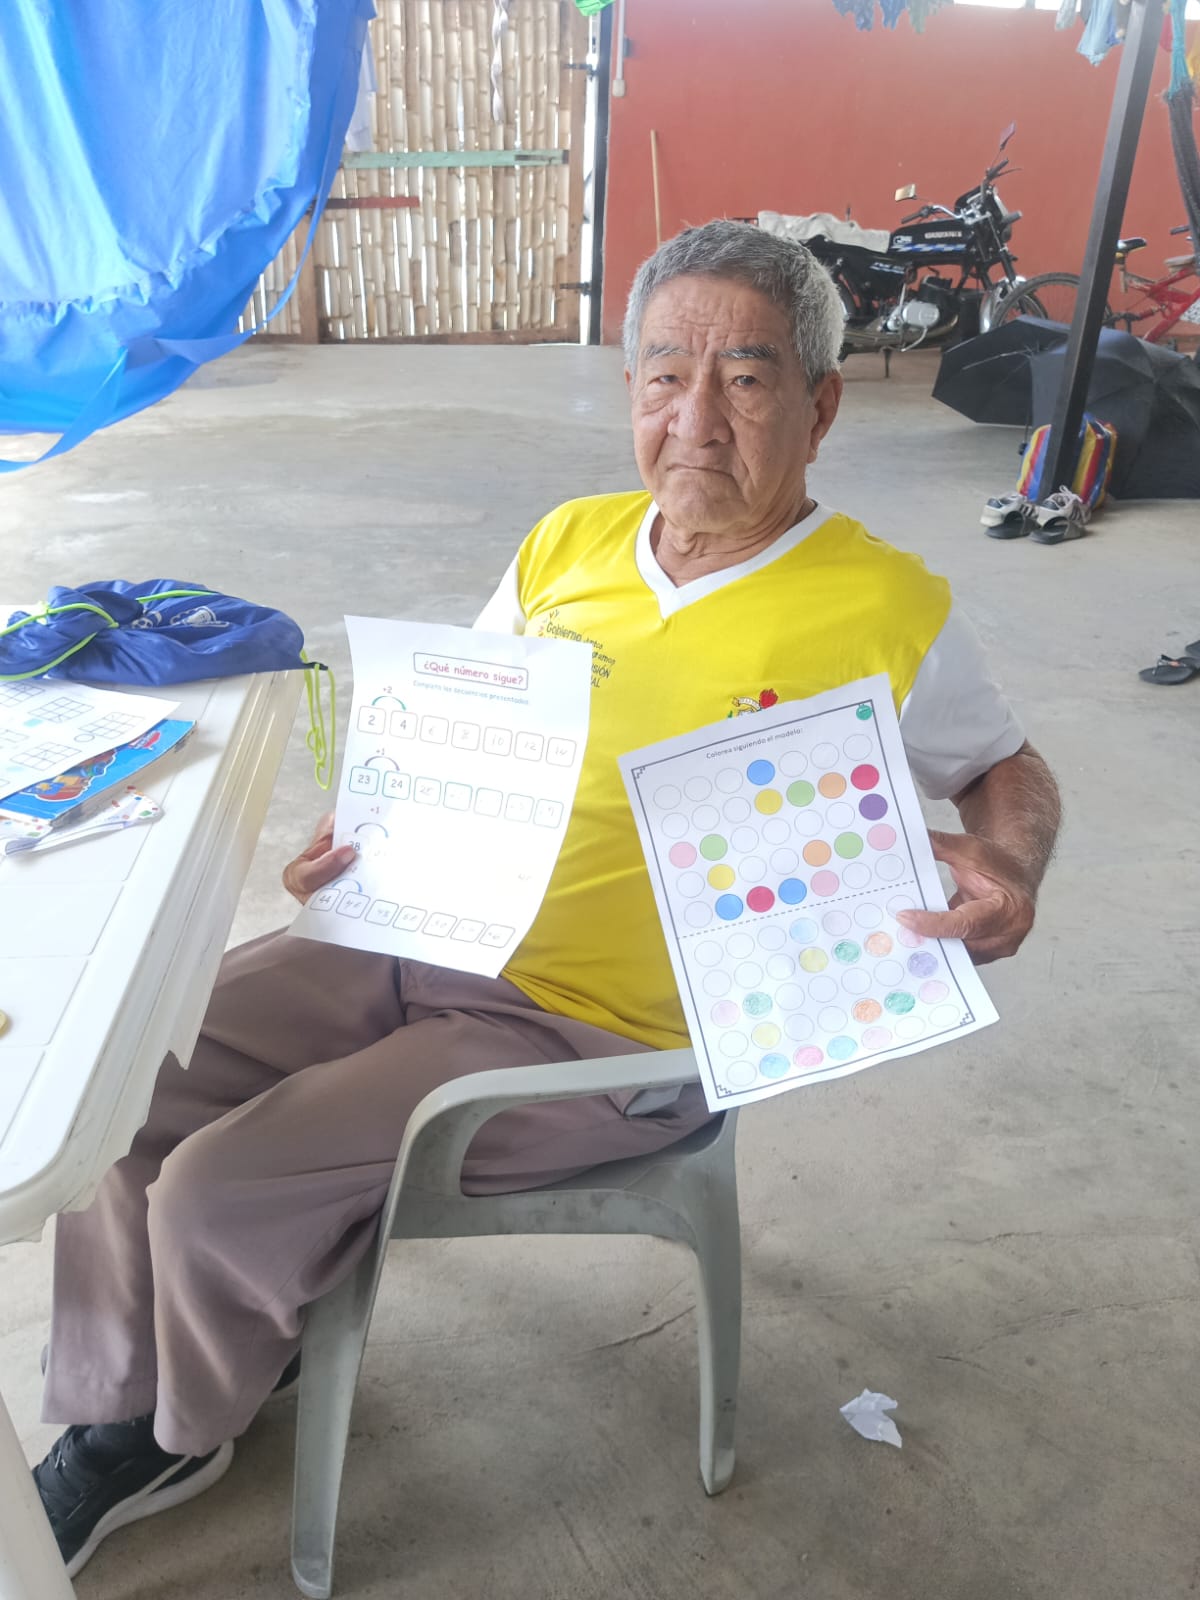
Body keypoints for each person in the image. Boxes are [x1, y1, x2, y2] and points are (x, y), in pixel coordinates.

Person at [32, 220, 1061, 1576]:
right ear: (631, 389)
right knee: (117, 1076)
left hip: (603, 1030)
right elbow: (464, 718)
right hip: (426, 928)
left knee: (215, 1188)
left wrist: (1009, 862)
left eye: (747, 380)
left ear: (820, 408)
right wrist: (370, 820)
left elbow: (1002, 768)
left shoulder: (887, 606)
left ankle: (183, 1424)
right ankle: (123, 1394)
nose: (695, 419)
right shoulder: (571, 539)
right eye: (665, 376)